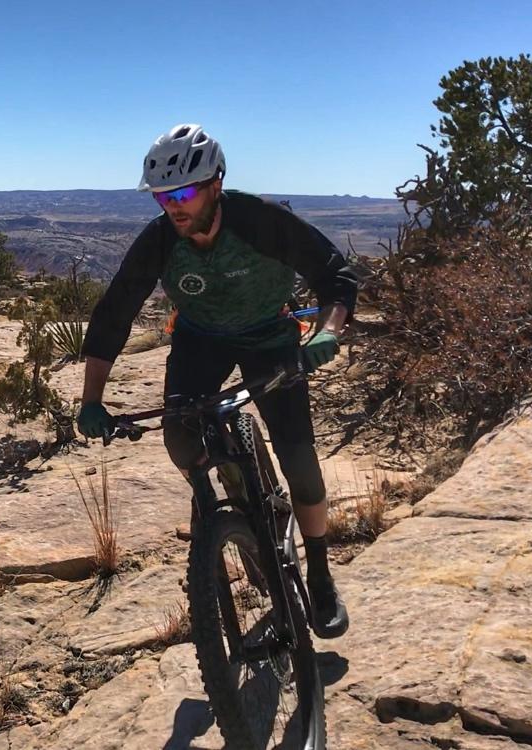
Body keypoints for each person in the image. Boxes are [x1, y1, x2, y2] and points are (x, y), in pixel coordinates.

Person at [76, 123, 358, 638]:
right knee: (181, 437)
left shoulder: (262, 222)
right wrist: (91, 399)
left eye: (183, 192)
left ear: (215, 183)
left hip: (269, 335)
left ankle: (318, 574)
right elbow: (115, 313)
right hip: (200, 339)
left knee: (298, 456)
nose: (173, 206)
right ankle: (233, 513)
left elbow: (334, 275)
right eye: (163, 197)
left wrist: (326, 332)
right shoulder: (161, 239)